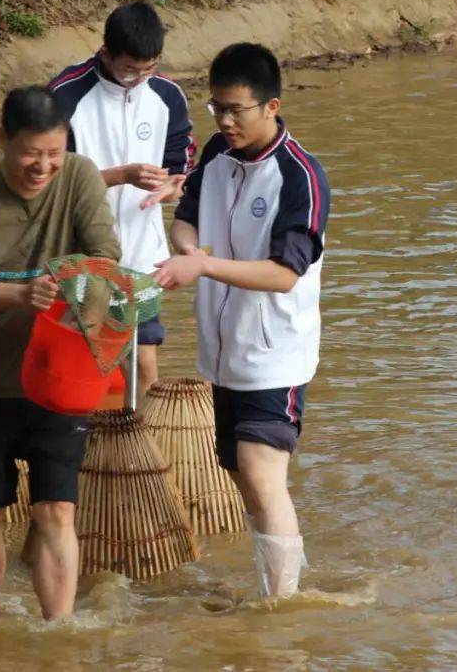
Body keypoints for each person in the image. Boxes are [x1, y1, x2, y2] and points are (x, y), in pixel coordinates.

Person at [0, 86, 119, 619]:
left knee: (56, 509)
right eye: (31, 153)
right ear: (2, 141)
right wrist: (21, 294)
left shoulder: (79, 176)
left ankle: (57, 637)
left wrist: (88, 304)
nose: (43, 166)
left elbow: (105, 256)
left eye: (54, 154)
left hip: (59, 382)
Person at [153, 43, 330, 597]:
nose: (225, 121)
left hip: (275, 351)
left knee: (258, 472)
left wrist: (202, 263)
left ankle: (282, 605)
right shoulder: (216, 153)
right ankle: (275, 581)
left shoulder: (300, 176)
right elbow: (184, 219)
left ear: (272, 106)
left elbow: (284, 274)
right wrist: (187, 251)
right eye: (217, 109)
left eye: (237, 110)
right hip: (222, 351)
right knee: (243, 475)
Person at [48, 0, 195, 402]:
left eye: (149, 69)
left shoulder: (168, 96)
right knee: (83, 364)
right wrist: (120, 176)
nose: (139, 78)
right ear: (106, 52)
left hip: (142, 258)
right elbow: (46, 185)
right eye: (130, 68)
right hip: (79, 257)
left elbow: (182, 163)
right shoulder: (65, 96)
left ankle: (135, 447)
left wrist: (174, 186)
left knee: (145, 363)